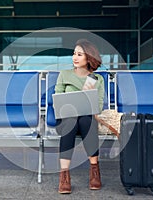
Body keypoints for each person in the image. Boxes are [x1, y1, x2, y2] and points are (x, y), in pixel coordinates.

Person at [54, 39, 105, 194]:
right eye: (74, 53)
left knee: (86, 120)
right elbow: (58, 98)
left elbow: (99, 105)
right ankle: (64, 175)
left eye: (79, 54)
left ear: (88, 58)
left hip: (85, 119)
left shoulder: (97, 79)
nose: (74, 57)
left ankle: (94, 170)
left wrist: (87, 95)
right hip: (66, 119)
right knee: (70, 121)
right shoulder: (64, 75)